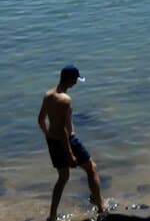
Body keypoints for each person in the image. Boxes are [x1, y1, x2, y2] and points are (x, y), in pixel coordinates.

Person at [38, 65, 104, 221]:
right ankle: (101, 208)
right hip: (68, 141)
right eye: (75, 79)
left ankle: (52, 216)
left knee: (62, 178)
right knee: (91, 168)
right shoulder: (65, 100)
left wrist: (47, 135)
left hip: (52, 141)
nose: (75, 83)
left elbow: (40, 120)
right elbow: (63, 131)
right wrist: (70, 154)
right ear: (69, 79)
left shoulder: (48, 95)